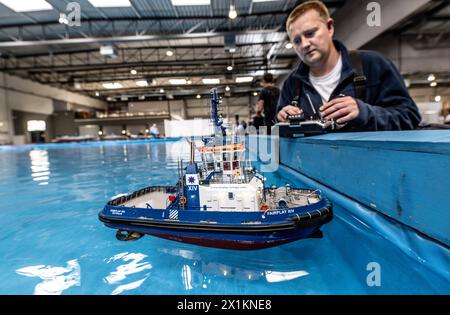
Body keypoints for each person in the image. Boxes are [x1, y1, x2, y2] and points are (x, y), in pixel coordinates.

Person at [276, 0, 421, 131]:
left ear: (329, 27)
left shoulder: (373, 65)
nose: (305, 44)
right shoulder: (292, 84)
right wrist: (281, 121)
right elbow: (280, 131)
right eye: (297, 41)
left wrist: (364, 112)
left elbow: (409, 116)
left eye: (310, 33)